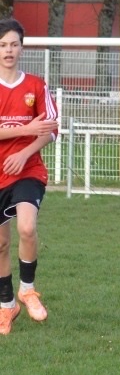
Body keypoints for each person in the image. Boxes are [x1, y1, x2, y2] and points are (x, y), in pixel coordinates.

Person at [0, 18, 59, 336]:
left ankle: (28, 289)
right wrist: (24, 129)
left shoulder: (36, 86)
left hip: (27, 171)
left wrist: (24, 152)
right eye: (3, 44)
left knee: (26, 226)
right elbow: (32, 127)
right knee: (1, 243)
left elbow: (50, 130)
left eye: (14, 44)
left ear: (22, 48)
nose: (9, 50)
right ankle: (7, 305)